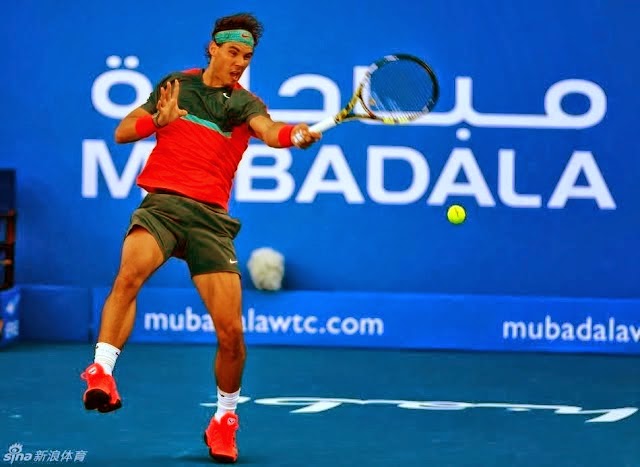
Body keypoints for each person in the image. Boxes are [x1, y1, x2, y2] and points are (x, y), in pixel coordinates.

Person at [80, 12, 321, 464]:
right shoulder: (176, 86)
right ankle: (102, 372)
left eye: (247, 56)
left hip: (210, 220)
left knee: (231, 334)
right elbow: (122, 131)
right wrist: (158, 120)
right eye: (233, 52)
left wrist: (295, 135)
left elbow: (270, 132)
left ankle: (225, 420)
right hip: (162, 206)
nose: (240, 62)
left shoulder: (245, 103)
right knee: (129, 275)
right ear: (213, 47)